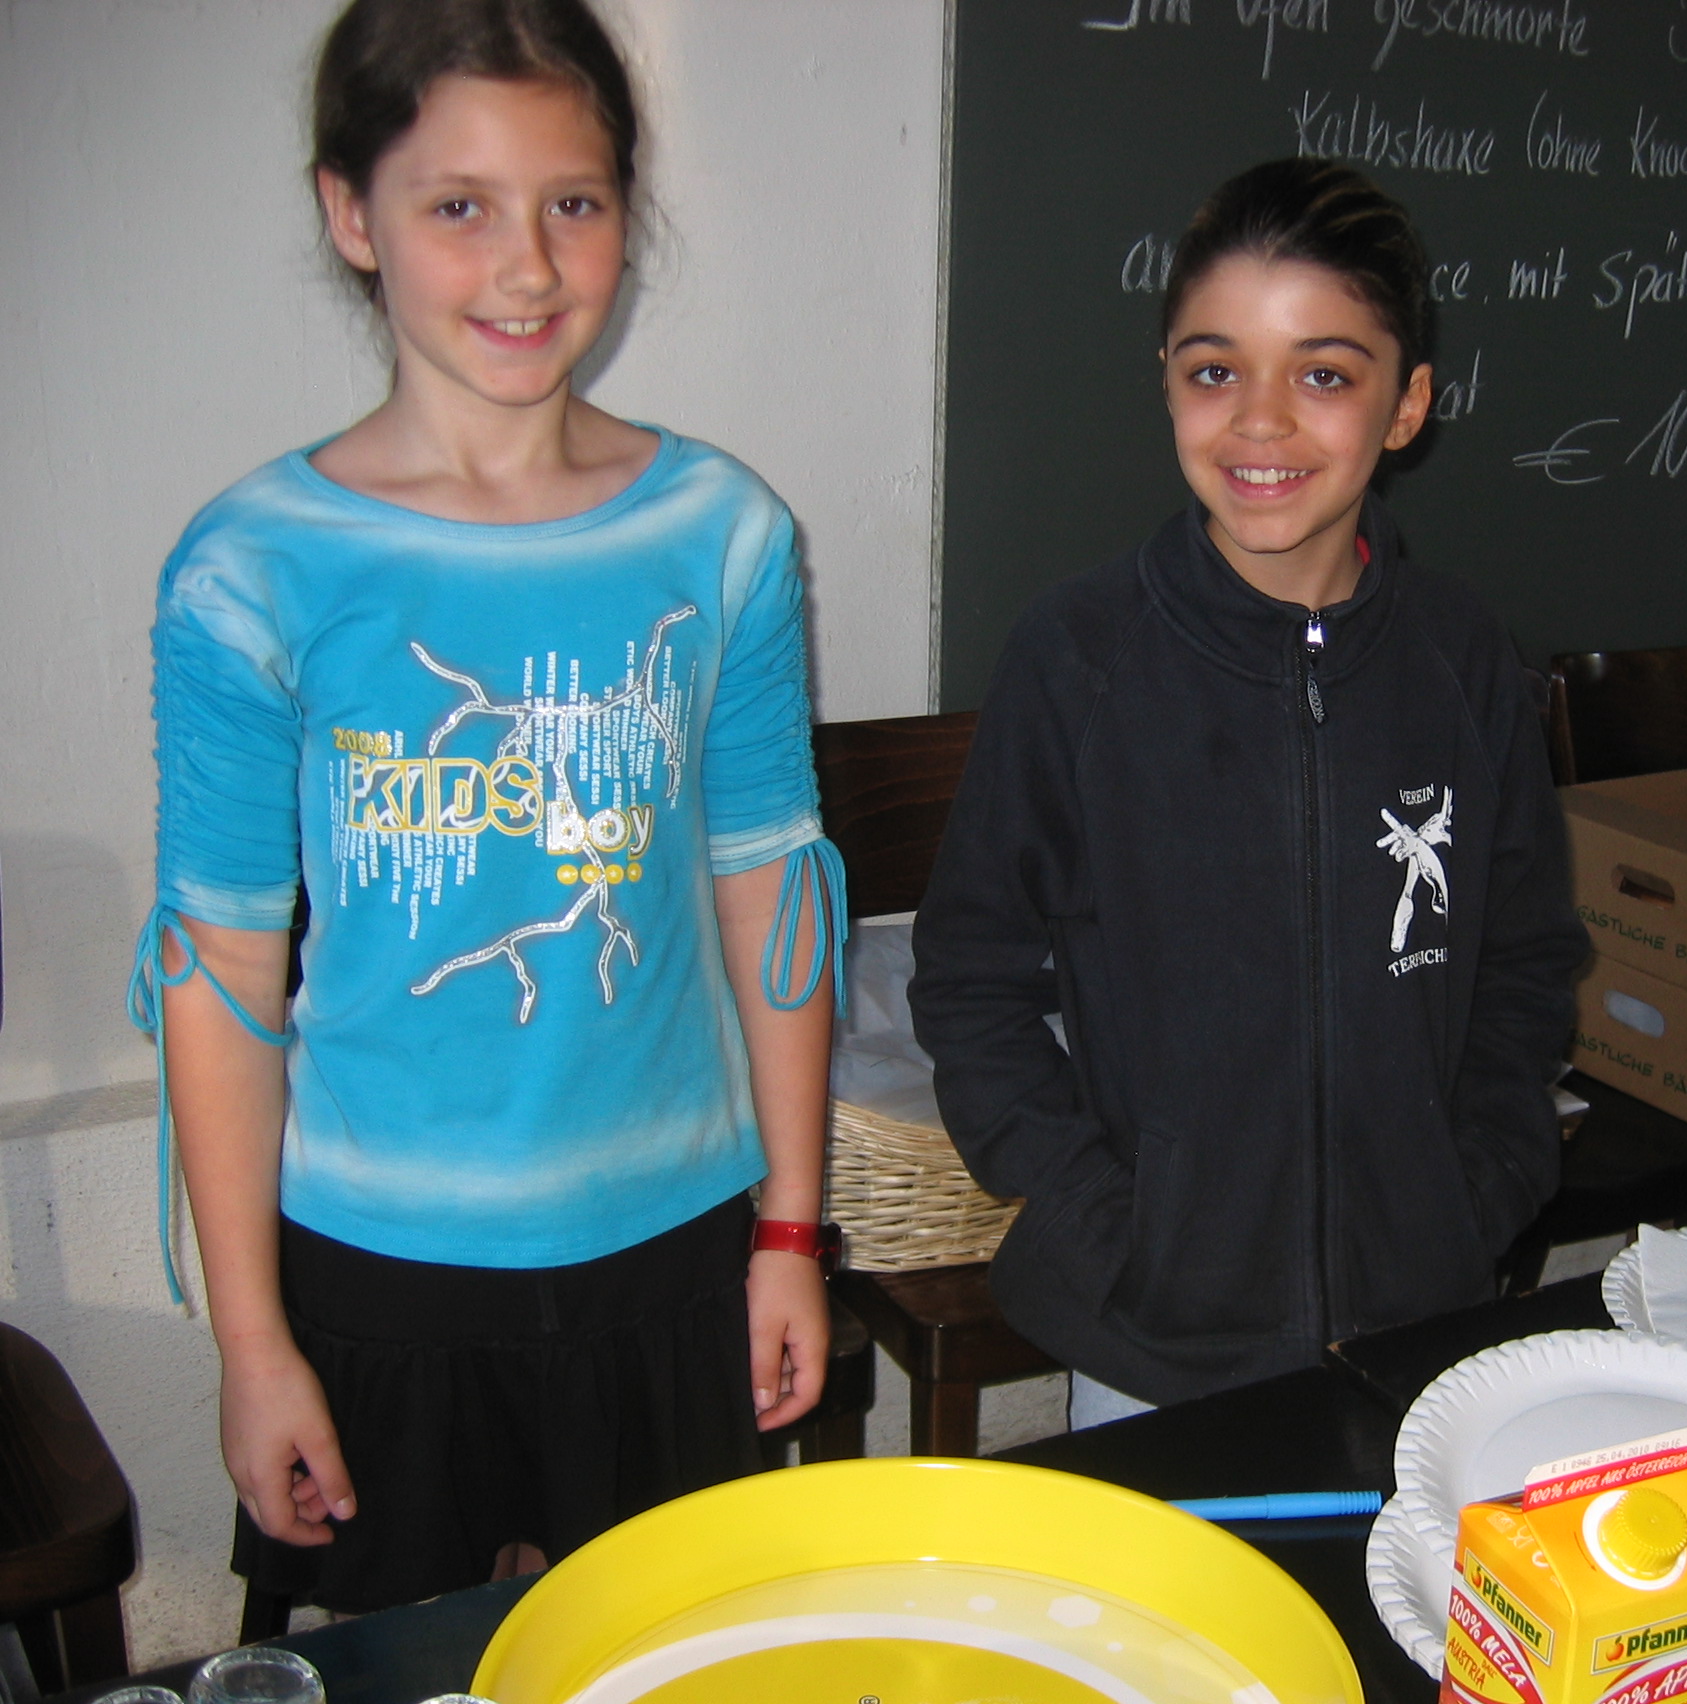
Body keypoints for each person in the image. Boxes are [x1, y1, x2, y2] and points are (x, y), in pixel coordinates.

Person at [128, 0, 841, 1613]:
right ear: (349, 212)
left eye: (572, 202)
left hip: (671, 1253)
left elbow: (770, 887)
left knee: (665, 1651)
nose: (527, 266)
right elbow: (222, 964)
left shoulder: (724, 534)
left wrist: (790, 1232)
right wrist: (253, 1342)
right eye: (459, 205)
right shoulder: (250, 572)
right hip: (379, 1279)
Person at [908, 158, 1590, 1427]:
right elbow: (968, 978)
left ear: (1407, 405)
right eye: (1214, 371)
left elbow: (1524, 960)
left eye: (1323, 375)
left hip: (1419, 1316)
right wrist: (1104, 1219)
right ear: (1166, 382)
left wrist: (1477, 1189)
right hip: (1153, 1338)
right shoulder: (1076, 659)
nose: (1259, 424)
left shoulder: (1464, 663)